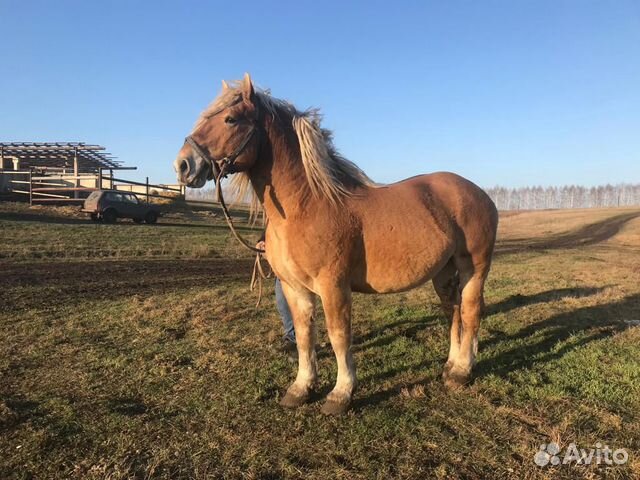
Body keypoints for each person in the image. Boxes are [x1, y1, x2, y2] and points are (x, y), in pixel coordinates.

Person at [256, 239, 297, 359]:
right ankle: (292, 339)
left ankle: (304, 344)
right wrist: (261, 241)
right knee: (282, 303)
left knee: (302, 306)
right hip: (282, 265)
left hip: (299, 260)